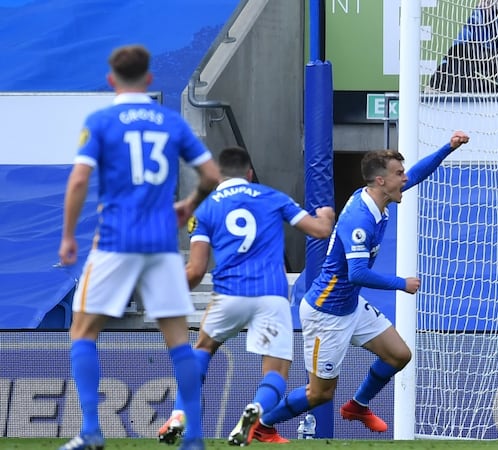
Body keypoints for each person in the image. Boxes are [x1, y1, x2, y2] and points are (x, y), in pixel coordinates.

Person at [245, 131, 470, 438]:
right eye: (398, 174)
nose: (405, 179)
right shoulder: (359, 220)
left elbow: (417, 173)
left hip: (350, 306)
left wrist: (448, 147)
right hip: (327, 314)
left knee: (399, 355)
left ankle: (358, 405)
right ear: (381, 181)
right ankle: (262, 425)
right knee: (319, 393)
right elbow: (357, 274)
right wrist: (401, 283)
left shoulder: (379, 197)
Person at [58, 44, 221, 450]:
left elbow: (79, 181)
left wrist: (67, 236)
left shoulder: (101, 121)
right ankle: (194, 438)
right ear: (149, 79)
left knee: (83, 331)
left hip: (115, 240)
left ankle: (92, 431)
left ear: (112, 79)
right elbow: (211, 175)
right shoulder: (170, 122)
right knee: (178, 341)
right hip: (162, 243)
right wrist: (189, 205)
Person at [157, 146, 335, 446]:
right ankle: (256, 408)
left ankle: (178, 413)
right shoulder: (273, 197)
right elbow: (318, 231)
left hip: (228, 294)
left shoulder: (206, 208)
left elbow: (196, 270)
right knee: (276, 371)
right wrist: (326, 216)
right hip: (271, 295)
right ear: (249, 173)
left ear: (218, 175)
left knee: (202, 348)